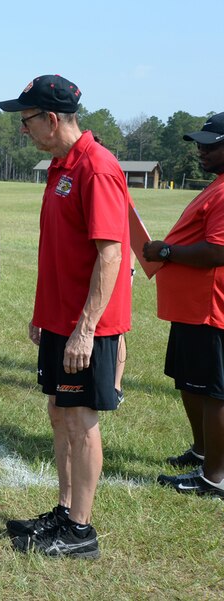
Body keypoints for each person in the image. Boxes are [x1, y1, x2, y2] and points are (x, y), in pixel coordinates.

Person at [0, 75, 132, 559]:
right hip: (60, 319)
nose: (23, 130)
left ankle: (81, 531)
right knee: (59, 413)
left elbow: (111, 255)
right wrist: (43, 313)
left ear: (52, 119)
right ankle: (64, 510)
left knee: (80, 421)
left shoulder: (97, 168)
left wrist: (86, 328)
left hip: (86, 327)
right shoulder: (61, 167)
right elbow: (58, 250)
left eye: (27, 120)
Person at [145, 112, 224, 499]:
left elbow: (216, 252)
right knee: (191, 384)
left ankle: (214, 478)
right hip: (191, 307)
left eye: (211, 144)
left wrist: (166, 250)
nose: (201, 151)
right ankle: (204, 451)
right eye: (199, 143)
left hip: (210, 307)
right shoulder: (217, 184)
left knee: (214, 392)